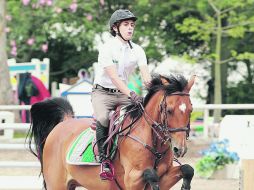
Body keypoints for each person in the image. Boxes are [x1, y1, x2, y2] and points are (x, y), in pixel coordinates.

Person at [91, 9, 151, 179]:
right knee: (103, 118)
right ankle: (104, 161)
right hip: (103, 92)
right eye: (126, 25)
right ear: (115, 28)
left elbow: (146, 77)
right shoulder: (106, 48)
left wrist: (157, 88)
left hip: (124, 93)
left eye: (132, 25)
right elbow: (114, 78)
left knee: (140, 118)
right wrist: (132, 93)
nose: (130, 28)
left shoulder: (138, 50)